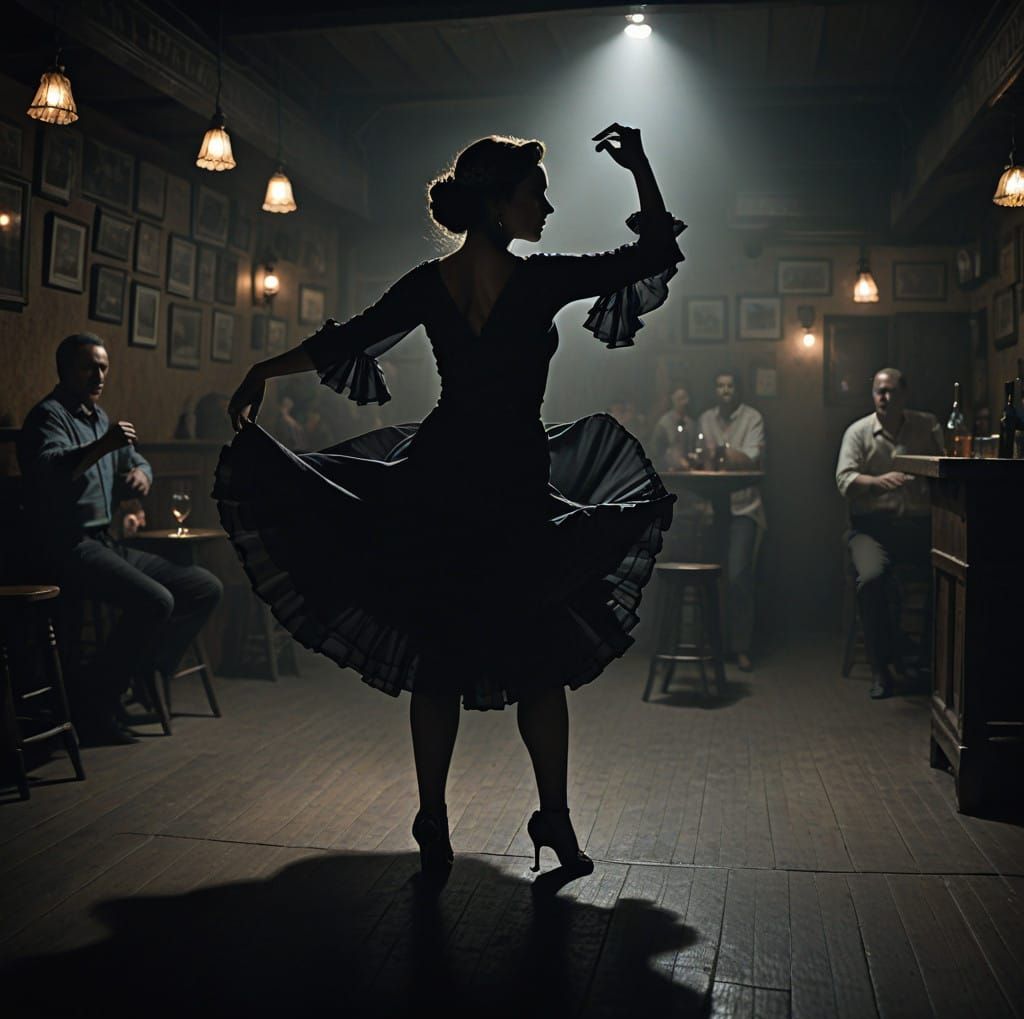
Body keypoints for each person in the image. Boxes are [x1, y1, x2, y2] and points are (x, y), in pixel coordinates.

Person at [218, 126, 683, 883]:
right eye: (537, 192)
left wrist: (265, 369)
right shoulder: (537, 281)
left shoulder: (433, 284)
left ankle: (439, 823)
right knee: (534, 666)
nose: (549, 204)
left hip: (445, 478)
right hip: (503, 487)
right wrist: (642, 169)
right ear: (500, 203)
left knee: (446, 661)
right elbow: (652, 255)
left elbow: (353, 338)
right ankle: (541, 820)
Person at [17, 333, 223, 745]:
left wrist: (143, 474)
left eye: (103, 367)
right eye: (89, 366)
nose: (99, 375)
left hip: (106, 542)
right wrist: (103, 445)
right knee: (157, 600)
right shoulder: (48, 417)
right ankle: (94, 703)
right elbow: (49, 469)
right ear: (65, 370)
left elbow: (136, 458)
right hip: (65, 547)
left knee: (204, 586)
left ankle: (140, 671)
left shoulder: (98, 417)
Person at [835, 367, 942, 699]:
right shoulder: (859, 432)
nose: (884, 397)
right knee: (871, 577)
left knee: (948, 576)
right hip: (871, 530)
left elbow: (948, 463)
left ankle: (923, 663)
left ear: (904, 395)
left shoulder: (927, 426)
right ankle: (882, 669)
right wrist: (880, 483)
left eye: (891, 391)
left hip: (916, 527)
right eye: (879, 391)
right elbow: (845, 481)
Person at [697, 370, 765, 672]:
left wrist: (721, 451)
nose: (725, 390)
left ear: (738, 390)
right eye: (720, 385)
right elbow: (701, 459)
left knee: (738, 577)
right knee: (709, 576)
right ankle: (712, 643)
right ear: (715, 390)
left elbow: (751, 459)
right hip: (712, 510)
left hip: (743, 508)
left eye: (730, 385)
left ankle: (740, 647)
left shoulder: (753, 418)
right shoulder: (705, 419)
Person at [649, 384, 696, 472]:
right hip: (669, 473)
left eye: (684, 398)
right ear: (672, 399)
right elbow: (656, 452)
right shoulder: (664, 423)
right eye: (679, 399)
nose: (683, 402)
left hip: (689, 471)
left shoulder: (691, 424)